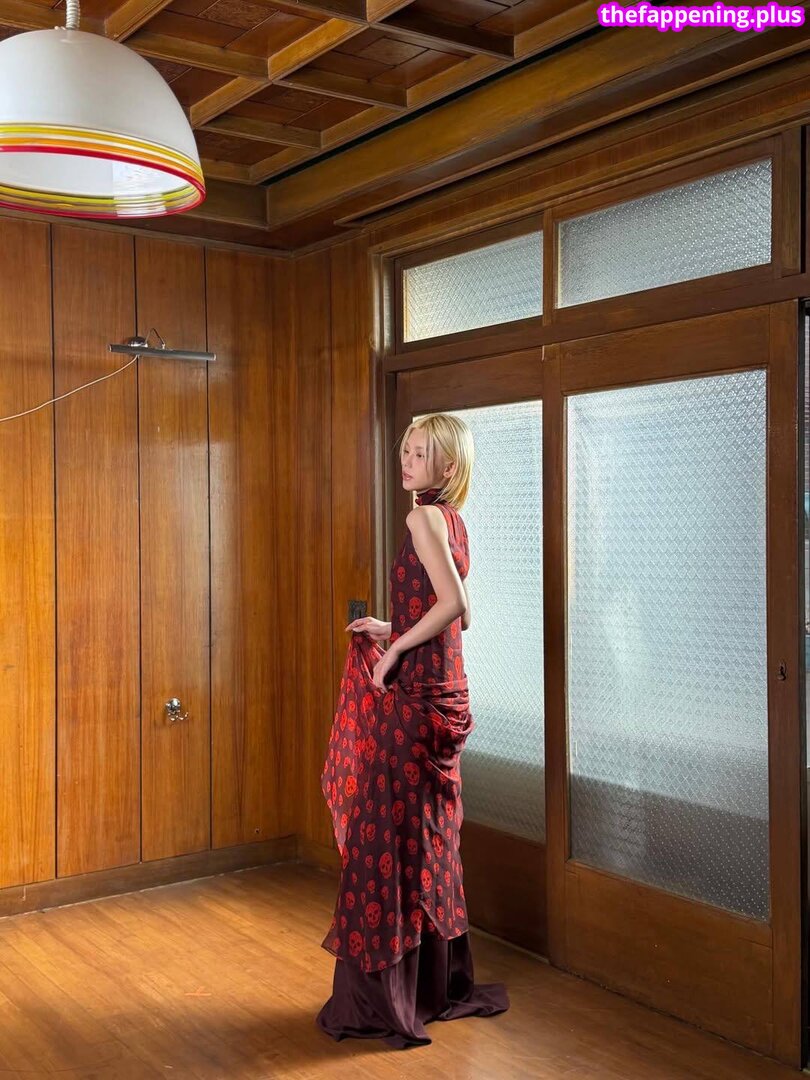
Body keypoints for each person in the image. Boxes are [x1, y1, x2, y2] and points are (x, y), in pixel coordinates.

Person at [316, 412, 510, 1049]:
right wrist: (388, 629)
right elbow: (455, 613)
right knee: (425, 839)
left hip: (421, 700)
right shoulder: (452, 520)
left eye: (419, 453)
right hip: (443, 694)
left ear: (448, 466)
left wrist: (396, 651)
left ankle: (385, 999)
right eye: (405, 449)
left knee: (385, 838)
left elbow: (455, 607)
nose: (406, 460)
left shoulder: (423, 519)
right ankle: (432, 987)